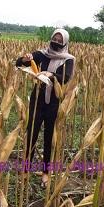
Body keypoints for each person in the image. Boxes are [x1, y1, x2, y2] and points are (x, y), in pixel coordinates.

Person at [15, 28, 75, 187]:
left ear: (65, 42)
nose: (56, 41)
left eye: (59, 39)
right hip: (38, 99)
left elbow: (66, 78)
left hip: (55, 102)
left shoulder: (68, 59)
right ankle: (26, 169)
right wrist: (26, 58)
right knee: (31, 133)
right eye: (54, 38)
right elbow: (19, 63)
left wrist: (51, 75)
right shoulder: (42, 54)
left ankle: (46, 172)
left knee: (50, 137)